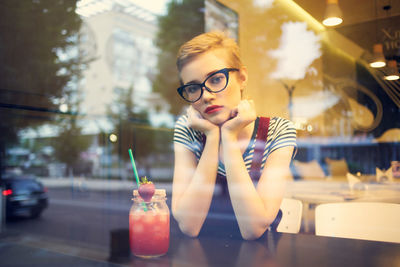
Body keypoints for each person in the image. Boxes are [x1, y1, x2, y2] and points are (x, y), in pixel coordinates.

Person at [172, 31, 297, 240]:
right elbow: (188, 225)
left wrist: (228, 136)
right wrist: (212, 138)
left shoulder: (278, 131)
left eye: (216, 79)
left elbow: (253, 229)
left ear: (242, 77)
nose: (207, 95)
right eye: (194, 88)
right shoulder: (188, 130)